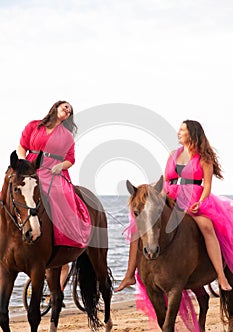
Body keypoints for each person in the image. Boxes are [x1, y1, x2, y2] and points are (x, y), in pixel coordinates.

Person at [116, 119, 232, 292]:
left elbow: (207, 185)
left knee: (207, 227)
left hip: (194, 200)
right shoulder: (173, 154)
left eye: (182, 130)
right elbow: (165, 179)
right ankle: (129, 275)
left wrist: (200, 202)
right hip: (170, 197)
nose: (178, 132)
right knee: (137, 227)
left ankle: (221, 277)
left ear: (192, 133)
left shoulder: (204, 158)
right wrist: (156, 198)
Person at [17, 100, 91, 248]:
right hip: (31, 166)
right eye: (65, 107)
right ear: (56, 107)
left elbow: (70, 159)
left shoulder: (67, 136)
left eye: (70, 111)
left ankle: (62, 240)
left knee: (61, 194)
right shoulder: (34, 126)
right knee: (11, 190)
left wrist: (60, 166)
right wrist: (23, 162)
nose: (68, 111)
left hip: (53, 170)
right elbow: (22, 146)